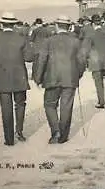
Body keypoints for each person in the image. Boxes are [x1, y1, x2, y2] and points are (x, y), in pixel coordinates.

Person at [0, 12, 34, 146]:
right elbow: (29, 57)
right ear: (14, 24)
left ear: (1, 24)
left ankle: (9, 139)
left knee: (6, 107)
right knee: (20, 104)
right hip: (19, 77)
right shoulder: (22, 39)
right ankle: (19, 132)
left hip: (1, 77)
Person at [33, 15, 86, 144]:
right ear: (68, 27)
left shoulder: (48, 41)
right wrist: (77, 75)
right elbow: (82, 61)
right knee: (66, 107)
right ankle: (63, 136)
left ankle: (55, 130)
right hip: (70, 78)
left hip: (51, 78)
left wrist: (38, 78)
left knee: (50, 105)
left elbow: (42, 60)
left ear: (56, 26)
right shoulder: (76, 41)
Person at [81, 14, 105, 109]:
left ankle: (101, 102)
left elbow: (85, 50)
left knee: (98, 82)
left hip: (95, 62)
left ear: (93, 24)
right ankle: (101, 99)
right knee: (101, 80)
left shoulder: (90, 35)